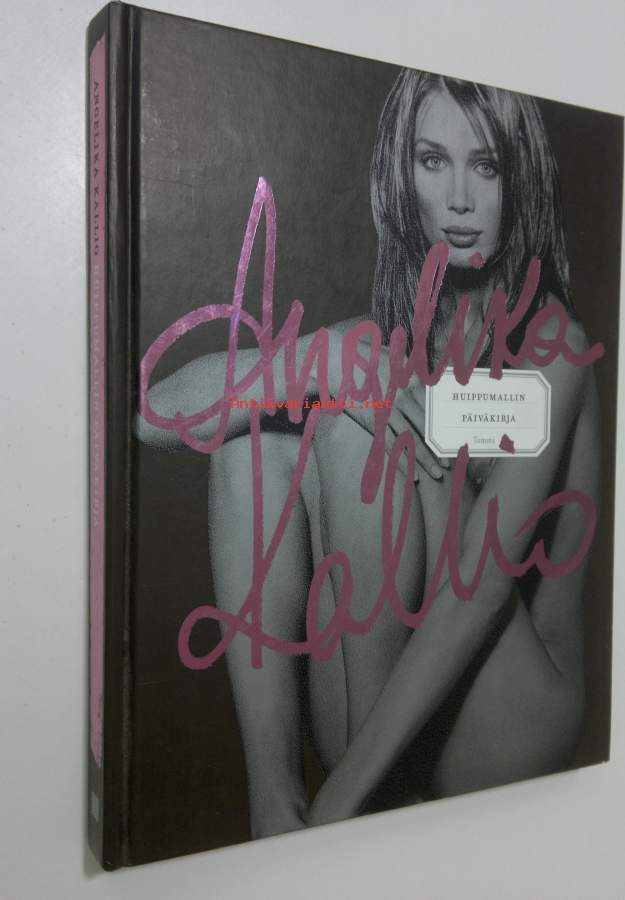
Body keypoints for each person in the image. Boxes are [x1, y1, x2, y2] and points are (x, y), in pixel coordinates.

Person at [137, 69, 600, 837]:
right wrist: (319, 359)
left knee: (359, 421)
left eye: (485, 166)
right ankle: (272, 804)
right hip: (384, 705)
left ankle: (358, 805)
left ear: (519, 179)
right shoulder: (382, 341)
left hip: (509, 722)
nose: (458, 198)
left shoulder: (551, 342)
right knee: (253, 443)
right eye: (432, 160)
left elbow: (480, 589)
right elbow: (153, 416)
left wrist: (344, 798)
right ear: (399, 174)